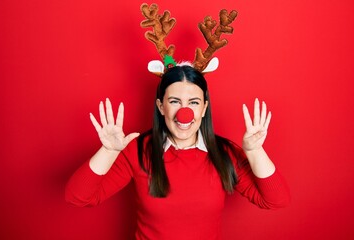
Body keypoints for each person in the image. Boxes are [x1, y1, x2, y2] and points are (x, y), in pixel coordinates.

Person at [65, 65, 290, 239]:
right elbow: (77, 198)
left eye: (193, 102)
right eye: (174, 101)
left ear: (204, 108)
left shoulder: (224, 153)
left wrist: (255, 151)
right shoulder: (138, 150)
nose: (184, 112)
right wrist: (108, 151)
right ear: (161, 107)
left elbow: (276, 200)